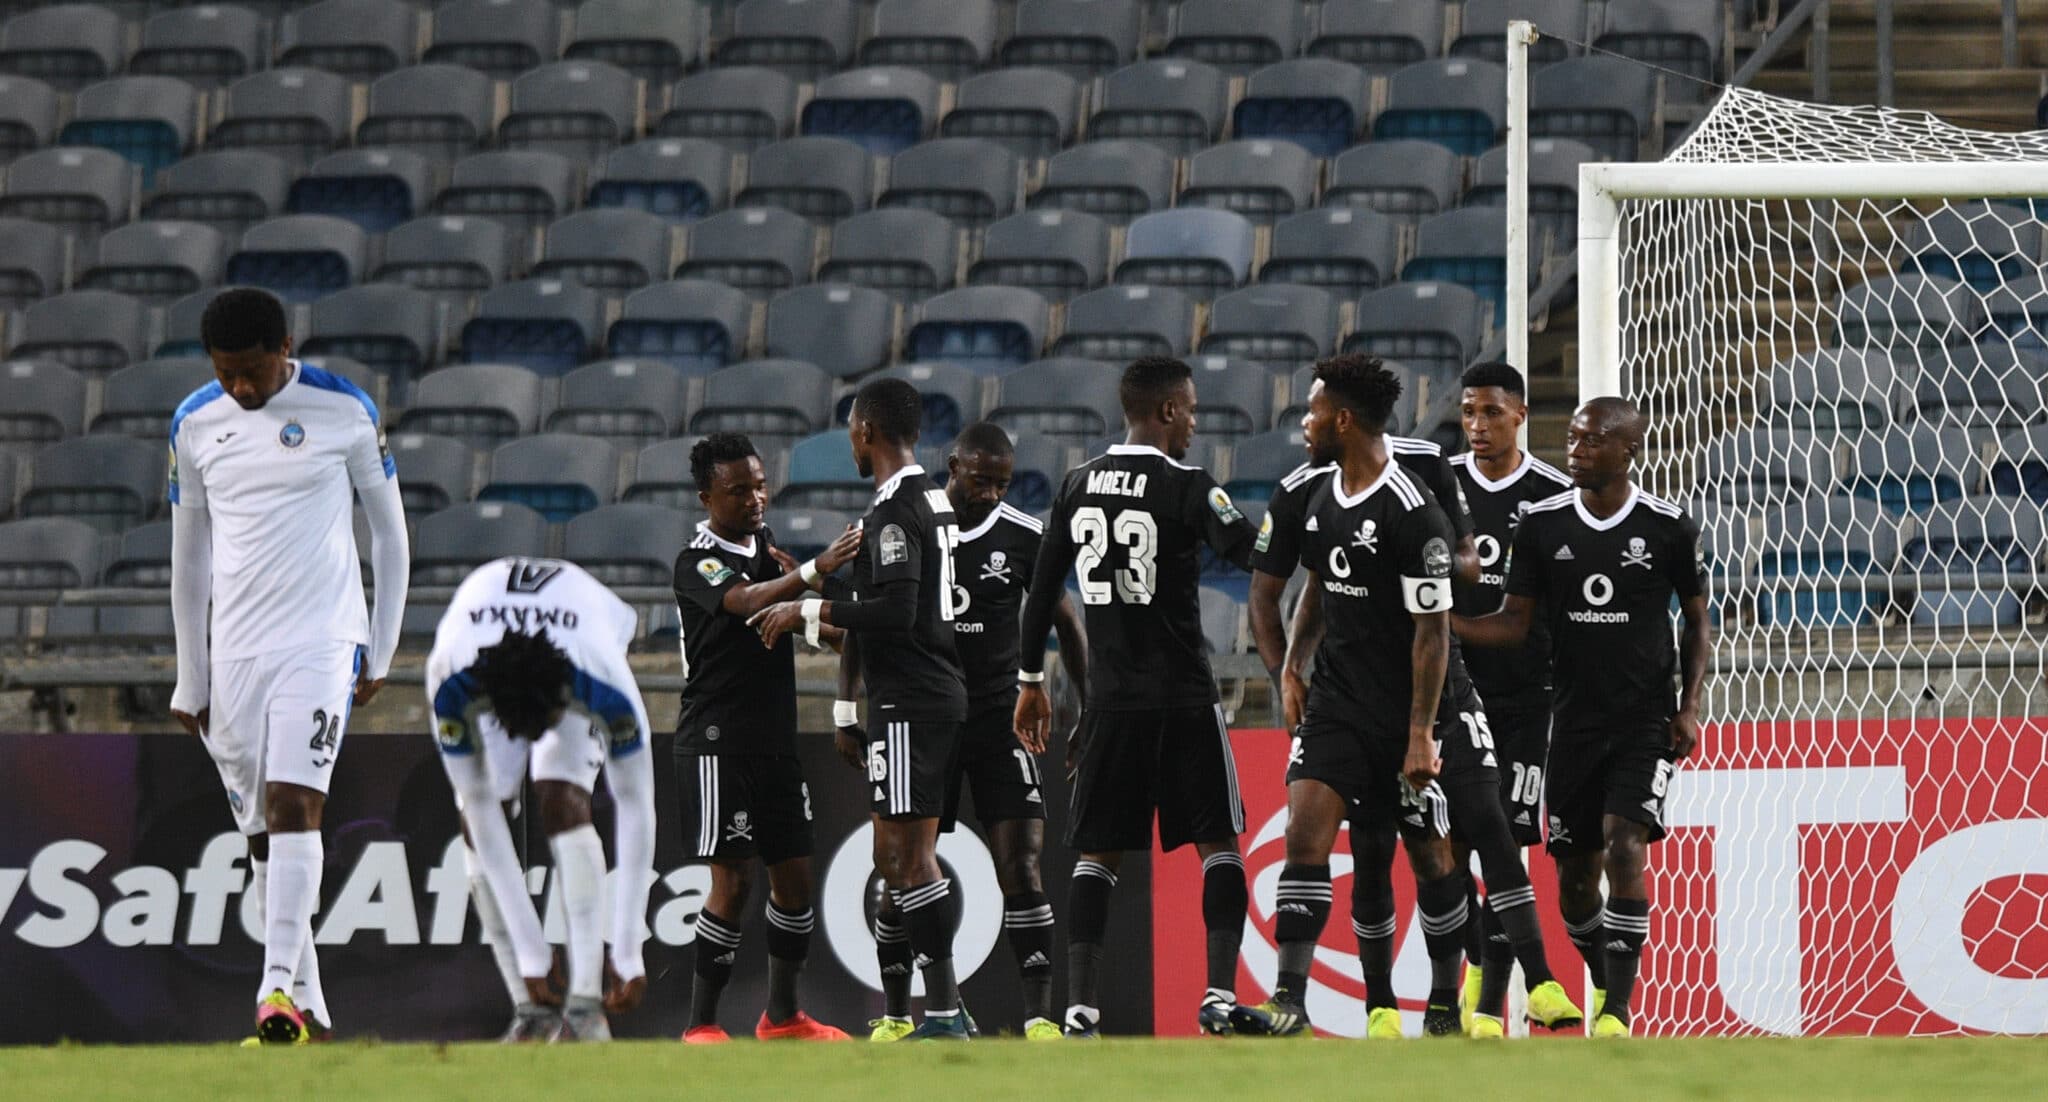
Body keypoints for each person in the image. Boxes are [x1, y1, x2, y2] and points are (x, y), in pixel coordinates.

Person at [167, 287, 409, 1044]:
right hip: (236, 649)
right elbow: (189, 558)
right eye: (227, 372)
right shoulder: (193, 422)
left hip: (322, 637)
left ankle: (271, 991)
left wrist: (384, 642)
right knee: (262, 837)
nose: (242, 388)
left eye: (253, 371)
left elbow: (391, 538)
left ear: (285, 347)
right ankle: (310, 1009)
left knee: (295, 803)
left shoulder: (344, 410)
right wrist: (191, 672)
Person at [1012, 356, 1259, 1038]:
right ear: (1170, 411)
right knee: (1220, 847)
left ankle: (1081, 1013)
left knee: (1098, 854)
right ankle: (1216, 999)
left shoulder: (1076, 483)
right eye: (1194, 411)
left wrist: (1032, 681)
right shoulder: (1186, 484)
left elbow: (1041, 596)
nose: (1196, 425)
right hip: (1183, 695)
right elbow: (1252, 550)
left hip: (1112, 702)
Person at [1452, 397, 1712, 1038]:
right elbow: (1515, 622)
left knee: (1628, 845)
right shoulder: (1540, 525)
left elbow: (1698, 617)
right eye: (1571, 438)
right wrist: (1441, 624)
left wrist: (1689, 704)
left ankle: (1618, 1012)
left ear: (1628, 451)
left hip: (1643, 722)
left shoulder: (1667, 525)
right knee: (1573, 884)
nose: (1575, 450)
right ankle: (1604, 977)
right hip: (1567, 725)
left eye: (1592, 441)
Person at [1235, 355, 1476, 1039]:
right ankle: (1289, 1000)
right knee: (1306, 832)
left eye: (1312, 411)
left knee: (1429, 855)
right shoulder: (1316, 494)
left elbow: (1432, 635)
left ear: (1342, 420)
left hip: (1407, 710)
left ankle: (1442, 1003)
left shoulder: (1413, 514)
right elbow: (1316, 586)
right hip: (1338, 702)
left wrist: (1422, 734)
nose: (1303, 424)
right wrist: (1292, 668)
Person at [750, 378, 972, 1040]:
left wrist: (808, 606)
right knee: (896, 854)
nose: (849, 437)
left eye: (850, 427)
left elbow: (897, 616)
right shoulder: (929, 501)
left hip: (911, 699)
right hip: (929, 692)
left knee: (909, 855)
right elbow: (885, 609)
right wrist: (816, 597)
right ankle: (926, 1013)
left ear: (867, 431)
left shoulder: (896, 510)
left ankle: (944, 1012)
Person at [670, 432, 862, 1044]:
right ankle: (700, 1025)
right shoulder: (696, 560)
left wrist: (824, 614)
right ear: (707, 498)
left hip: (774, 739)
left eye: (759, 484)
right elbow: (745, 602)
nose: (755, 498)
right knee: (733, 882)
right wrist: (814, 571)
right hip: (717, 741)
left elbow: (790, 620)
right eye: (738, 490)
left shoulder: (771, 552)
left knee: (796, 880)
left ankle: (781, 1016)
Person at [425, 559, 657, 1043]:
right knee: (475, 815)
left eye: (544, 724)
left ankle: (586, 1006)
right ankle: (530, 1006)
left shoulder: (603, 680)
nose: (535, 738)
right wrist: (532, 950)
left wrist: (629, 949)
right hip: (491, 662)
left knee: (559, 793)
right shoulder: (451, 679)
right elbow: (479, 802)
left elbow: (636, 804)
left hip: (580, 641)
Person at [927, 422, 1088, 1041]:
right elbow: (867, 621)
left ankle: (1039, 1019)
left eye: (1003, 483)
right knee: (909, 866)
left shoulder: (1024, 536)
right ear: (953, 464)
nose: (993, 494)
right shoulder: (914, 528)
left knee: (1021, 864)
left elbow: (1066, 621)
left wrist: (1087, 709)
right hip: (928, 722)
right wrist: (851, 709)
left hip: (1001, 719)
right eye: (981, 480)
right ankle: (899, 1014)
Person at [1448, 362, 1576, 1034]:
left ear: (1521, 413)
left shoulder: (1554, 497)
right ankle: (1480, 977)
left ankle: (1488, 1006)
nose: (1477, 426)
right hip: (1451, 699)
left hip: (1527, 699)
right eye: (1469, 412)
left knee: (1505, 841)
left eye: (1491, 413)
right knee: (1451, 850)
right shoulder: (1439, 488)